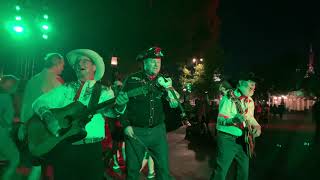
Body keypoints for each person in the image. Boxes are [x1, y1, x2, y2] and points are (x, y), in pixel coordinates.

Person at [31, 49, 128, 180]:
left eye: (84, 61)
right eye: (77, 62)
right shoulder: (66, 88)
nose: (78, 64)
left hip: (91, 151)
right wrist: (47, 116)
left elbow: (111, 112)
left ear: (94, 67)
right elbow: (39, 102)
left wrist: (120, 105)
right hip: (64, 148)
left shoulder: (105, 91)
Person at [119, 47, 179, 180]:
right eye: (153, 61)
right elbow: (121, 103)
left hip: (158, 132)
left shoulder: (163, 80)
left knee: (163, 170)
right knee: (133, 170)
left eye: (159, 61)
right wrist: (125, 125)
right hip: (136, 132)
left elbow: (175, 102)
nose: (157, 64)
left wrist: (170, 90)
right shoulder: (132, 79)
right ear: (144, 62)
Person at [19, 53, 65, 180]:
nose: (63, 68)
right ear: (56, 64)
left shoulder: (33, 80)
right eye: (62, 65)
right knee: (53, 169)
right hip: (49, 132)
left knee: (36, 166)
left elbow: (25, 104)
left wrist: (22, 125)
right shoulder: (58, 82)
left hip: (33, 130)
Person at [211, 75, 261, 180]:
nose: (252, 88)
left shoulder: (250, 101)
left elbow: (250, 117)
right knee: (221, 170)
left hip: (243, 139)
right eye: (249, 86)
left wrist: (257, 125)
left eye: (254, 87)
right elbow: (220, 120)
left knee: (244, 170)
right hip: (227, 138)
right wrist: (233, 120)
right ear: (240, 84)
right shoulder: (228, 98)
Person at [0, 75, 20, 180]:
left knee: (3, 158)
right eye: (15, 85)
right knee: (15, 157)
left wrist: (13, 120)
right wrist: (6, 125)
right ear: (9, 85)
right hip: (2, 135)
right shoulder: (4, 96)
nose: (16, 88)